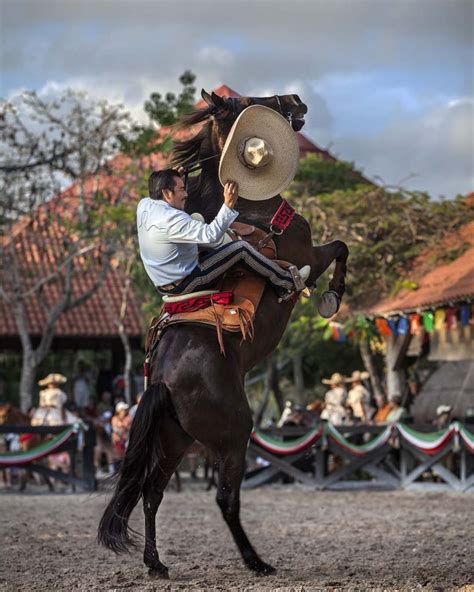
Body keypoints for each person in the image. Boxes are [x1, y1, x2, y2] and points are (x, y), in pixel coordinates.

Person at [136, 169, 310, 301]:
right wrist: (228, 204)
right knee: (239, 248)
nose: (186, 194)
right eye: (181, 189)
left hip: (163, 282)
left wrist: (173, 175)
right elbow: (210, 235)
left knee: (196, 218)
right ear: (166, 193)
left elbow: (162, 193)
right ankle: (286, 283)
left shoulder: (145, 205)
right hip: (183, 284)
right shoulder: (172, 219)